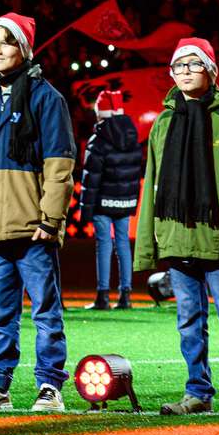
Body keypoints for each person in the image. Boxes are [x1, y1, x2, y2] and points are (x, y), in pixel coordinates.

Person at [135, 36, 219, 417]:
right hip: (178, 237)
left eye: (193, 64)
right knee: (188, 321)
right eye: (178, 66)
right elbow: (152, 186)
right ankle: (198, 392)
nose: (184, 72)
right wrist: (150, 244)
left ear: (211, 71)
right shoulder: (163, 122)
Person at [0, 12, 73, 413]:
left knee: (44, 311)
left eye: (6, 41)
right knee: (0, 313)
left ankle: (50, 386)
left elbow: (59, 163)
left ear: (24, 47)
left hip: (33, 228)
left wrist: (50, 219)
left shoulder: (46, 97)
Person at [80, 88, 142, 311]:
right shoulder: (132, 135)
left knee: (104, 245)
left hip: (102, 203)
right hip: (124, 201)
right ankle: (126, 296)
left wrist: (85, 211)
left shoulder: (99, 139)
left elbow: (91, 177)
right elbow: (136, 173)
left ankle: (102, 296)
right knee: (123, 244)